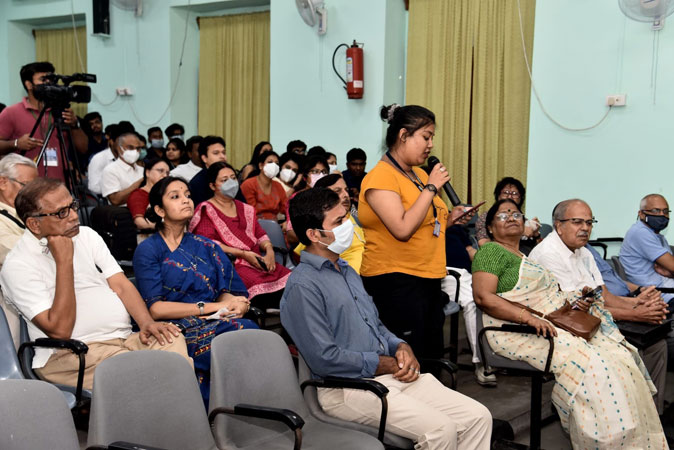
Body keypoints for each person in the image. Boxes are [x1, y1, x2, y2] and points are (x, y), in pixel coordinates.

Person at [281, 188, 492, 450]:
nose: (348, 225)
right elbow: (325, 359)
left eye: (347, 217)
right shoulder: (303, 286)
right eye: (338, 222)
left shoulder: (346, 271)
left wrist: (400, 347)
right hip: (345, 388)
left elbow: (376, 325)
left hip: (387, 376)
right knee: (441, 430)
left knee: (478, 417)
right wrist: (387, 364)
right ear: (314, 235)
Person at [472, 199, 666, 448]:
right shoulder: (490, 252)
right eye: (502, 215)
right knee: (595, 367)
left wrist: (576, 303)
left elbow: (547, 301)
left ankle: (630, 437)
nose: (511, 217)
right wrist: (529, 318)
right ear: (489, 227)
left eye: (516, 213)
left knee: (618, 357)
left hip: (547, 324)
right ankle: (604, 439)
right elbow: (483, 297)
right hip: (517, 331)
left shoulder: (524, 256)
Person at [0, 178, 190, 391]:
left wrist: (146, 322)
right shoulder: (17, 265)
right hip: (71, 355)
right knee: (151, 373)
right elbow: (60, 331)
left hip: (123, 340)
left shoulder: (87, 236)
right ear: (34, 224)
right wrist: (64, 262)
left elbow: (121, 285)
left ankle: (175, 418)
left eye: (72, 206)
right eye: (61, 213)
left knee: (171, 341)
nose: (73, 216)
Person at [529, 198, 668, 414]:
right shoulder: (549, 255)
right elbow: (573, 312)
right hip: (565, 325)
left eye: (589, 222)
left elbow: (604, 297)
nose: (585, 228)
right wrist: (637, 314)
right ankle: (621, 413)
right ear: (559, 225)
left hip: (593, 318)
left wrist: (638, 302)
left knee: (657, 346)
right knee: (629, 351)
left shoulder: (583, 251)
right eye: (577, 222)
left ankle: (648, 412)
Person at [133, 176, 258, 406]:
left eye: (188, 195)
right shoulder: (149, 250)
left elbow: (227, 291)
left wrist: (237, 303)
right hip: (175, 329)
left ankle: (235, 406)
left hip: (215, 320)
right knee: (231, 345)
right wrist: (211, 307)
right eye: (175, 197)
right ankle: (215, 409)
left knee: (249, 330)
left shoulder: (207, 245)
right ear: (160, 210)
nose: (186, 200)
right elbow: (156, 309)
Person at [358, 104, 450, 360]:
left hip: (427, 276)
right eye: (426, 136)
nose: (430, 144)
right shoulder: (380, 178)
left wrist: (451, 218)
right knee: (409, 359)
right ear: (403, 136)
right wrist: (431, 187)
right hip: (397, 281)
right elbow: (402, 228)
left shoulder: (418, 175)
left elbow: (424, 223)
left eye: (432, 137)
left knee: (430, 357)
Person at [189, 162, 291, 310]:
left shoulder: (245, 208)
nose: (230, 183)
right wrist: (243, 254)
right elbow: (208, 244)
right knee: (258, 286)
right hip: (231, 265)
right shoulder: (206, 210)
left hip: (258, 260)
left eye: (233, 178)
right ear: (212, 186)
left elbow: (260, 234)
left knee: (292, 280)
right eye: (224, 180)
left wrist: (269, 251)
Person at [440, 204, 497, 386]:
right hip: (445, 274)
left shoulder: (457, 230)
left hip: (466, 274)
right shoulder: (432, 227)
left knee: (493, 295)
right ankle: (481, 362)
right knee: (473, 302)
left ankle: (499, 353)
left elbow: (471, 252)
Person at [0, 62, 88, 180]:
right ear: (29, 85)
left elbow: (83, 148)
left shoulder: (62, 111)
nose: (48, 83)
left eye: (51, 79)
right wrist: (16, 143)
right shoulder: (11, 112)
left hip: (61, 185)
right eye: (43, 79)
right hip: (28, 187)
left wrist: (74, 125)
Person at [0, 154, 38, 350]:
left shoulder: (30, 211)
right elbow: (16, 253)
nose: (32, 193)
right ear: (2, 182)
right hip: (11, 292)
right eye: (26, 185)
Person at [293, 174, 366, 273]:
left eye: (346, 190)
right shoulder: (319, 228)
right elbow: (301, 255)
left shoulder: (353, 214)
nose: (346, 195)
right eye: (337, 191)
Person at [620, 193, 674, 302]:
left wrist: (670, 273)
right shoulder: (641, 233)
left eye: (665, 211)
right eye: (655, 211)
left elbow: (670, 268)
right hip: (661, 295)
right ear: (641, 214)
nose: (661, 215)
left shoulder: (657, 235)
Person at [475, 177, 541, 252]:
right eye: (505, 192)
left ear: (521, 198)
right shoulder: (486, 217)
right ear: (498, 195)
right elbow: (483, 244)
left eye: (515, 194)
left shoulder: (522, 219)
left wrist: (535, 234)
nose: (509, 196)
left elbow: (538, 250)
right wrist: (520, 231)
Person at [283, 155, 329, 247]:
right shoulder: (297, 198)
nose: (320, 175)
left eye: (324, 172)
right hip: (304, 247)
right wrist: (320, 238)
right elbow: (291, 235)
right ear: (305, 177)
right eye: (315, 172)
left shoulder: (330, 197)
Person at [240, 150, 287, 220]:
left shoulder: (278, 186)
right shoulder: (249, 185)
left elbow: (285, 208)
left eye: (277, 164)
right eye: (270, 162)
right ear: (261, 165)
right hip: (253, 224)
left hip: (275, 225)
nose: (274, 166)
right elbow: (248, 212)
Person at [100, 132, 144, 206]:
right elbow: (115, 200)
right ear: (119, 149)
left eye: (138, 148)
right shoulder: (110, 170)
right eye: (130, 147)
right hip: (124, 214)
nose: (135, 151)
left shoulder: (142, 170)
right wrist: (141, 181)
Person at [127, 159, 170, 231]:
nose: (165, 175)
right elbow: (139, 222)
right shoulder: (138, 195)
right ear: (147, 172)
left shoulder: (167, 194)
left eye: (167, 173)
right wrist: (161, 227)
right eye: (160, 171)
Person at [188, 135, 227, 207]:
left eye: (224, 152)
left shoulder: (230, 176)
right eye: (216, 153)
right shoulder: (197, 183)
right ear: (204, 158)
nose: (222, 156)